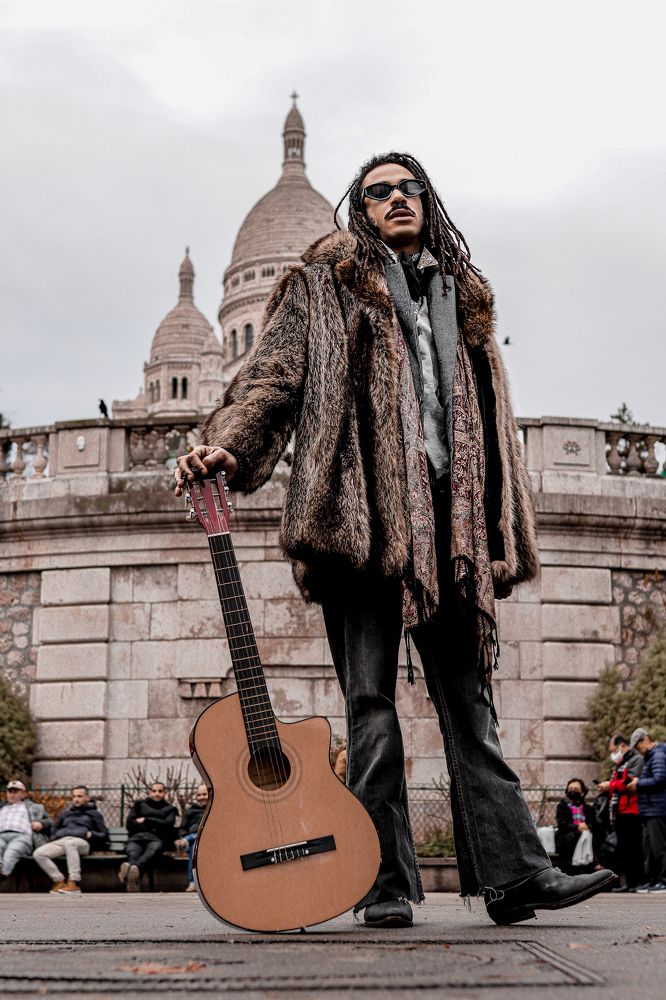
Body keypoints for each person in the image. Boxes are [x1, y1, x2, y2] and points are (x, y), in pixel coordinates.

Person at [175, 152, 615, 927]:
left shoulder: (464, 296)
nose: (397, 199)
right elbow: (273, 380)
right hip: (359, 525)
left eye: (409, 187)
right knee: (370, 710)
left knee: (470, 708)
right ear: (360, 208)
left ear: (428, 200)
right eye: (379, 191)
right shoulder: (321, 287)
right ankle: (379, 884)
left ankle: (516, 876)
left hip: (451, 532)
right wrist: (231, 447)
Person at [32, 786, 108, 894]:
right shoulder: (65, 814)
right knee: (39, 853)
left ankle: (74, 883)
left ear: (87, 798)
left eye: (79, 796)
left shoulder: (94, 814)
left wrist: (92, 834)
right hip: (63, 841)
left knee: (70, 844)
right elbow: (54, 830)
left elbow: (104, 834)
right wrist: (56, 836)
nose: (76, 799)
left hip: (82, 842)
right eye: (74, 796)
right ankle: (59, 881)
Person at [596, 733, 644, 891]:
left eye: (614, 749)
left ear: (622, 745)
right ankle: (629, 883)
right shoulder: (620, 763)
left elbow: (629, 782)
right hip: (619, 812)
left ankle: (636, 883)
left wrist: (610, 785)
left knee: (633, 848)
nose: (613, 753)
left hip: (631, 810)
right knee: (624, 849)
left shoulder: (636, 759)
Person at [626, 728, 666, 893]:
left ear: (646, 739)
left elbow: (660, 778)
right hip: (651, 809)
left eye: (638, 745)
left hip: (657, 809)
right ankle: (654, 880)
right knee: (649, 848)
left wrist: (638, 784)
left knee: (659, 847)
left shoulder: (657, 755)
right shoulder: (652, 757)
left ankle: (663, 880)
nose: (637, 750)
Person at [120, 782, 178, 892]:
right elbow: (130, 824)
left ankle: (131, 870)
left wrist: (146, 820)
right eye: (154, 791)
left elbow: (168, 825)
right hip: (137, 838)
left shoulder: (170, 809)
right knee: (133, 851)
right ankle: (133, 876)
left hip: (156, 840)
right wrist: (156, 824)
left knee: (153, 849)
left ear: (164, 793)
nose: (157, 794)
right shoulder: (139, 805)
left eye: (160, 791)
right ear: (149, 792)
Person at [0, 780, 52, 883]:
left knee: (12, 851)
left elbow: (50, 821)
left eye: (15, 792)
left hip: (21, 836)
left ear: (23, 794)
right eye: (10, 792)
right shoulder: (2, 807)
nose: (12, 794)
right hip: (1, 835)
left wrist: (41, 823)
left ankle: (2, 874)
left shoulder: (35, 807)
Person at [555, 779, 596, 875]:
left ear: (582, 792)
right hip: (568, 837)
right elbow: (562, 824)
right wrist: (577, 827)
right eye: (570, 789)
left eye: (576, 789)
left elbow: (593, 823)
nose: (572, 791)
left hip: (586, 836)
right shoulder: (562, 806)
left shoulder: (588, 808)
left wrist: (586, 826)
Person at [174, 784, 208, 892]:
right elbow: (182, 828)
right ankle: (188, 839)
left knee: (196, 844)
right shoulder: (190, 811)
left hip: (210, 842)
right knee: (195, 847)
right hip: (194, 844)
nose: (201, 797)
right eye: (199, 795)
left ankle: (192, 882)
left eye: (204, 794)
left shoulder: (216, 809)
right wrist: (183, 835)